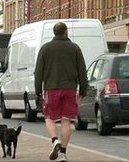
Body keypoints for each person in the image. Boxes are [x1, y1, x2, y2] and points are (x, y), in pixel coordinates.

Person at [34, 22, 88, 161]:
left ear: (54, 33)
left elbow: (38, 72)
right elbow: (82, 70)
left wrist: (38, 92)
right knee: (66, 120)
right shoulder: (75, 48)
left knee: (49, 117)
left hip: (51, 89)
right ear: (66, 32)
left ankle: (54, 141)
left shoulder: (45, 49)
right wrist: (83, 88)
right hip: (70, 89)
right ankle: (63, 153)